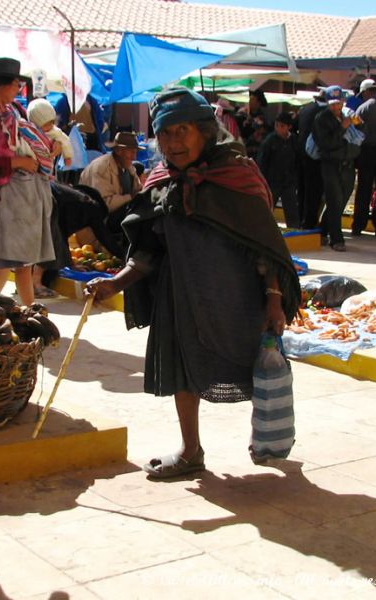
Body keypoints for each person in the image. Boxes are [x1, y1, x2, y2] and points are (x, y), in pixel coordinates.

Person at [85, 88, 299, 479]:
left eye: (181, 130)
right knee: (182, 367)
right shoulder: (162, 180)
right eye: (164, 134)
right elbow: (150, 250)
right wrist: (115, 283)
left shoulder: (238, 176)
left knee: (256, 364)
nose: (172, 142)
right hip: (179, 294)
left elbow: (265, 247)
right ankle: (190, 450)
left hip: (235, 296)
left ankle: (270, 433)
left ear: (205, 131)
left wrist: (273, 300)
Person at [0, 57, 55, 306]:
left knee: (23, 264)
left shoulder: (14, 112)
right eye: (16, 83)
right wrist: (17, 163)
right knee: (6, 264)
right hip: (1, 198)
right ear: (0, 85)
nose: (18, 88)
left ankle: (28, 313)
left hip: (22, 199)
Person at [312, 85, 360, 252]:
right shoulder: (321, 119)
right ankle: (336, 239)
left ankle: (323, 230)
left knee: (341, 202)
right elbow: (326, 144)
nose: (335, 107)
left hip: (348, 165)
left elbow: (362, 135)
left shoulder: (348, 115)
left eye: (338, 103)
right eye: (332, 104)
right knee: (334, 201)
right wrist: (342, 128)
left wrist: (358, 124)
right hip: (331, 164)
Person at [351, 79, 376, 237]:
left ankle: (358, 225)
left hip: (366, 152)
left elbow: (355, 133)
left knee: (363, 190)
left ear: (366, 91)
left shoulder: (362, 108)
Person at [257, 112, 301, 228]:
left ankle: (294, 232)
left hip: (289, 182)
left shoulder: (294, 141)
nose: (278, 128)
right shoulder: (269, 141)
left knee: (291, 210)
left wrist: (295, 179)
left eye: (282, 126)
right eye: (277, 125)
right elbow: (262, 162)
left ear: (289, 127)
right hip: (272, 181)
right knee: (268, 209)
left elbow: (298, 161)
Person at [296, 89, 326, 229]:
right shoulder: (323, 113)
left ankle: (301, 219)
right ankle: (309, 222)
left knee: (302, 189)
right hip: (315, 156)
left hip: (301, 154)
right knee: (313, 191)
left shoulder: (305, 109)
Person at [27, 98, 74, 169]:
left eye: (51, 123)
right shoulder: (28, 132)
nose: (48, 127)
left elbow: (65, 141)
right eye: (45, 125)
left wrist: (67, 157)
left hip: (49, 163)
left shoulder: (54, 132)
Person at [237, 89, 273, 159]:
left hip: (256, 152)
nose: (250, 102)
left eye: (252, 100)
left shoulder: (263, 118)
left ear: (258, 103)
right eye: (250, 99)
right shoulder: (243, 114)